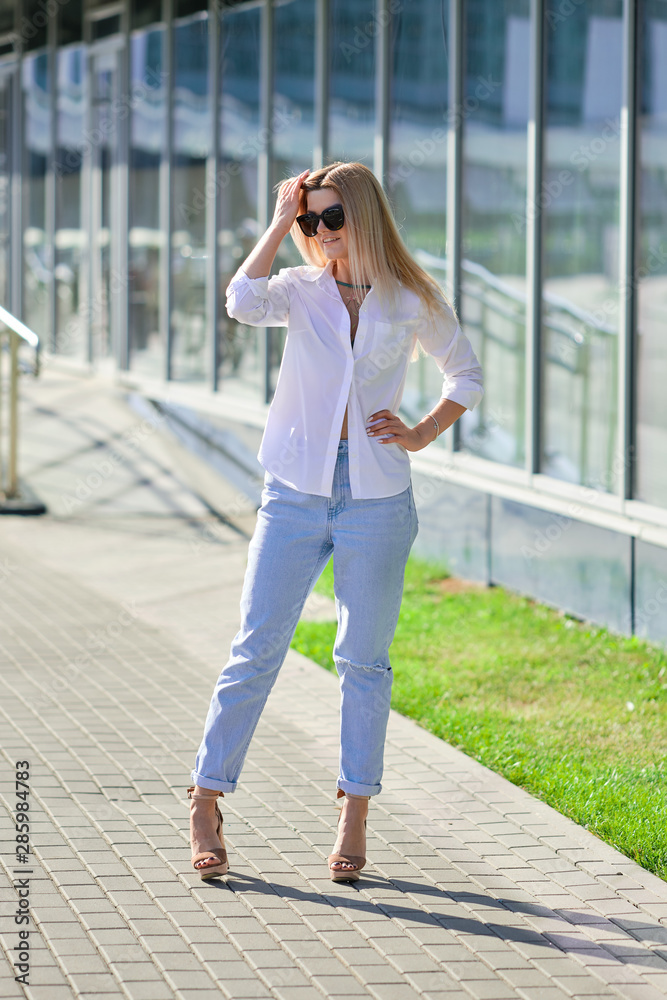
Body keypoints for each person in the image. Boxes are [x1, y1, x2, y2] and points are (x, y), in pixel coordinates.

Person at [188, 161, 484, 882]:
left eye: (329, 218)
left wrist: (420, 431)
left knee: (363, 661)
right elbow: (239, 300)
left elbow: (465, 373)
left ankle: (354, 814)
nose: (319, 233)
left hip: (377, 497)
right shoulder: (298, 290)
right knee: (256, 647)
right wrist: (279, 216)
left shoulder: (410, 297)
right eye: (309, 221)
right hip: (294, 491)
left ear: (363, 216)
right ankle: (205, 797)